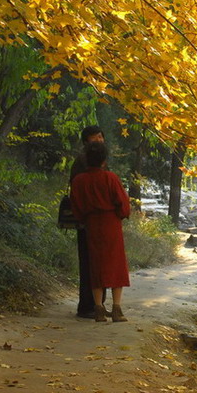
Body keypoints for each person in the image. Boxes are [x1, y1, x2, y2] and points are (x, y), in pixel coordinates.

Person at [70, 141, 131, 322]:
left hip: (92, 225)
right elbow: (123, 203)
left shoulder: (79, 180)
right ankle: (116, 308)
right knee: (115, 264)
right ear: (104, 160)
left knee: (95, 265)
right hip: (111, 224)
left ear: (86, 160)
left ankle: (98, 308)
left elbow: (76, 206)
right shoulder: (111, 178)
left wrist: (84, 219)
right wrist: (121, 215)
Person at [70, 126, 107, 318]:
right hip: (87, 219)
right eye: (95, 137)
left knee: (99, 262)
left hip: (98, 220)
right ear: (86, 142)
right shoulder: (83, 162)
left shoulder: (100, 160)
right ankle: (87, 306)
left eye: (101, 136)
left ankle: (98, 305)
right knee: (89, 263)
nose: (100, 140)